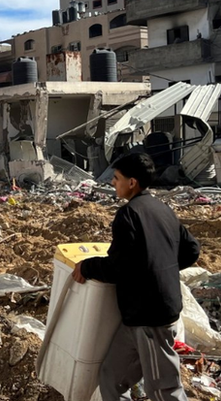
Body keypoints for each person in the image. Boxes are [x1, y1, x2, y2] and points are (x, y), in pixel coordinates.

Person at [71, 153, 200, 401]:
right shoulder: (163, 209)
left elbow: (119, 267)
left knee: (164, 391)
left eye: (116, 178)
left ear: (132, 182)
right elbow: (191, 250)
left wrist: (87, 267)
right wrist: (162, 269)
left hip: (151, 319)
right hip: (137, 318)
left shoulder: (128, 215)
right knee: (110, 377)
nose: (112, 183)